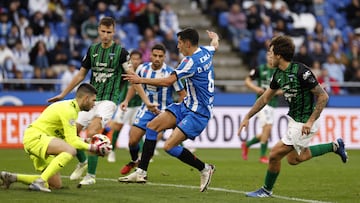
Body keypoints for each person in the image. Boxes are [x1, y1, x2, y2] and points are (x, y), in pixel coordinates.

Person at [47, 17, 154, 186]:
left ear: (114, 32)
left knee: (92, 132)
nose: (105, 35)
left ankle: (91, 175)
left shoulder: (122, 53)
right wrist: (63, 94)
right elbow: (81, 75)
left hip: (109, 100)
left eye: (109, 32)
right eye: (103, 31)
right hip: (90, 99)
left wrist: (147, 101)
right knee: (70, 133)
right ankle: (82, 163)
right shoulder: (92, 50)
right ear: (98, 30)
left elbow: (132, 78)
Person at [237, 35, 348, 198]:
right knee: (294, 159)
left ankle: (266, 190)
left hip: (306, 121)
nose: (269, 55)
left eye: (271, 52)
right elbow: (265, 98)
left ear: (279, 55)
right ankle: (335, 146)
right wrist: (248, 116)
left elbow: (323, 96)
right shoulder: (277, 75)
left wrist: (310, 122)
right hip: (295, 119)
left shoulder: (302, 72)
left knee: (274, 154)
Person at [119, 28, 219, 192]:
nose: (178, 47)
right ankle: (141, 172)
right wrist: (215, 38)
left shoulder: (190, 61)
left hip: (198, 113)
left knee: (169, 146)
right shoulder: (206, 51)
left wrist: (140, 79)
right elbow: (214, 45)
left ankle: (205, 168)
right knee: (152, 126)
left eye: (179, 43)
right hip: (186, 105)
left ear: (187, 43)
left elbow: (167, 81)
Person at [0, 83, 108, 192]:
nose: (94, 104)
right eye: (93, 100)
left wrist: (86, 141)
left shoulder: (71, 109)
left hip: (39, 139)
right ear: (86, 98)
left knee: (55, 184)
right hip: (36, 137)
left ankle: (12, 177)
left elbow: (68, 137)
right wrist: (93, 148)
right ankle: (39, 182)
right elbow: (72, 142)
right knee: (70, 150)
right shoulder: (69, 110)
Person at [119, 43, 186, 175]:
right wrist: (126, 100)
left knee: (152, 138)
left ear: (164, 57)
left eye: (160, 56)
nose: (157, 58)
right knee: (132, 141)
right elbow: (134, 86)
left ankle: (141, 171)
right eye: (155, 55)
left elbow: (182, 94)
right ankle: (134, 161)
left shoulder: (171, 73)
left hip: (164, 113)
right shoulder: (142, 69)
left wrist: (178, 111)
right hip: (146, 109)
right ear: (150, 55)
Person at [242, 51, 281, 164]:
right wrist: (256, 89)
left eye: (272, 56)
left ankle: (247, 144)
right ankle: (263, 156)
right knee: (267, 128)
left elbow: (285, 87)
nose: (270, 58)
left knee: (266, 131)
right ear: (266, 57)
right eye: (268, 56)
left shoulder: (279, 71)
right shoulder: (260, 69)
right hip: (262, 103)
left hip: (273, 104)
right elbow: (247, 81)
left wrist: (278, 92)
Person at [106, 50, 144, 163]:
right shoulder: (125, 71)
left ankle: (141, 154)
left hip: (138, 105)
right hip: (125, 104)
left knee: (138, 130)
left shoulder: (144, 71)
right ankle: (112, 151)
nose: (135, 61)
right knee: (117, 127)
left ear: (141, 60)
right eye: (133, 59)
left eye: (138, 59)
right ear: (130, 60)